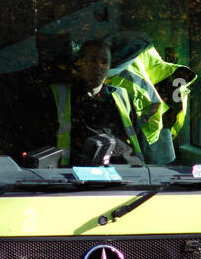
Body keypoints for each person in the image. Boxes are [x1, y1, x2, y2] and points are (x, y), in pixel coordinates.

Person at [52, 37, 146, 166]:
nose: (99, 66)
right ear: (79, 64)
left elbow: (140, 139)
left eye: (104, 62)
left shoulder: (121, 96)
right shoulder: (60, 96)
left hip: (126, 174)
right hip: (75, 177)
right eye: (92, 60)